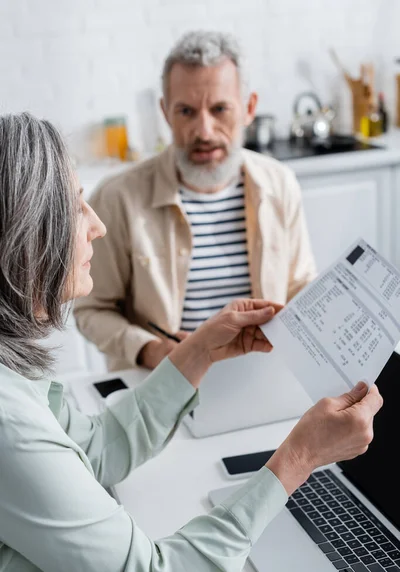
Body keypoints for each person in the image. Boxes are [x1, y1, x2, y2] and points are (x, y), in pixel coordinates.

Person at [0, 112, 382, 572]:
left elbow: (95, 451)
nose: (96, 226)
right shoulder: (8, 422)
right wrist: (300, 456)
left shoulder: (13, 373)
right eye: (76, 208)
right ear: (29, 237)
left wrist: (198, 350)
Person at [73, 30, 317, 372]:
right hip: (159, 382)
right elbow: (91, 309)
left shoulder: (281, 184)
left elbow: (302, 289)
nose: (203, 130)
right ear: (165, 112)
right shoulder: (117, 198)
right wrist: (152, 349)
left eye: (219, 109)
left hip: (262, 375)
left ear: (249, 109)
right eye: (186, 111)